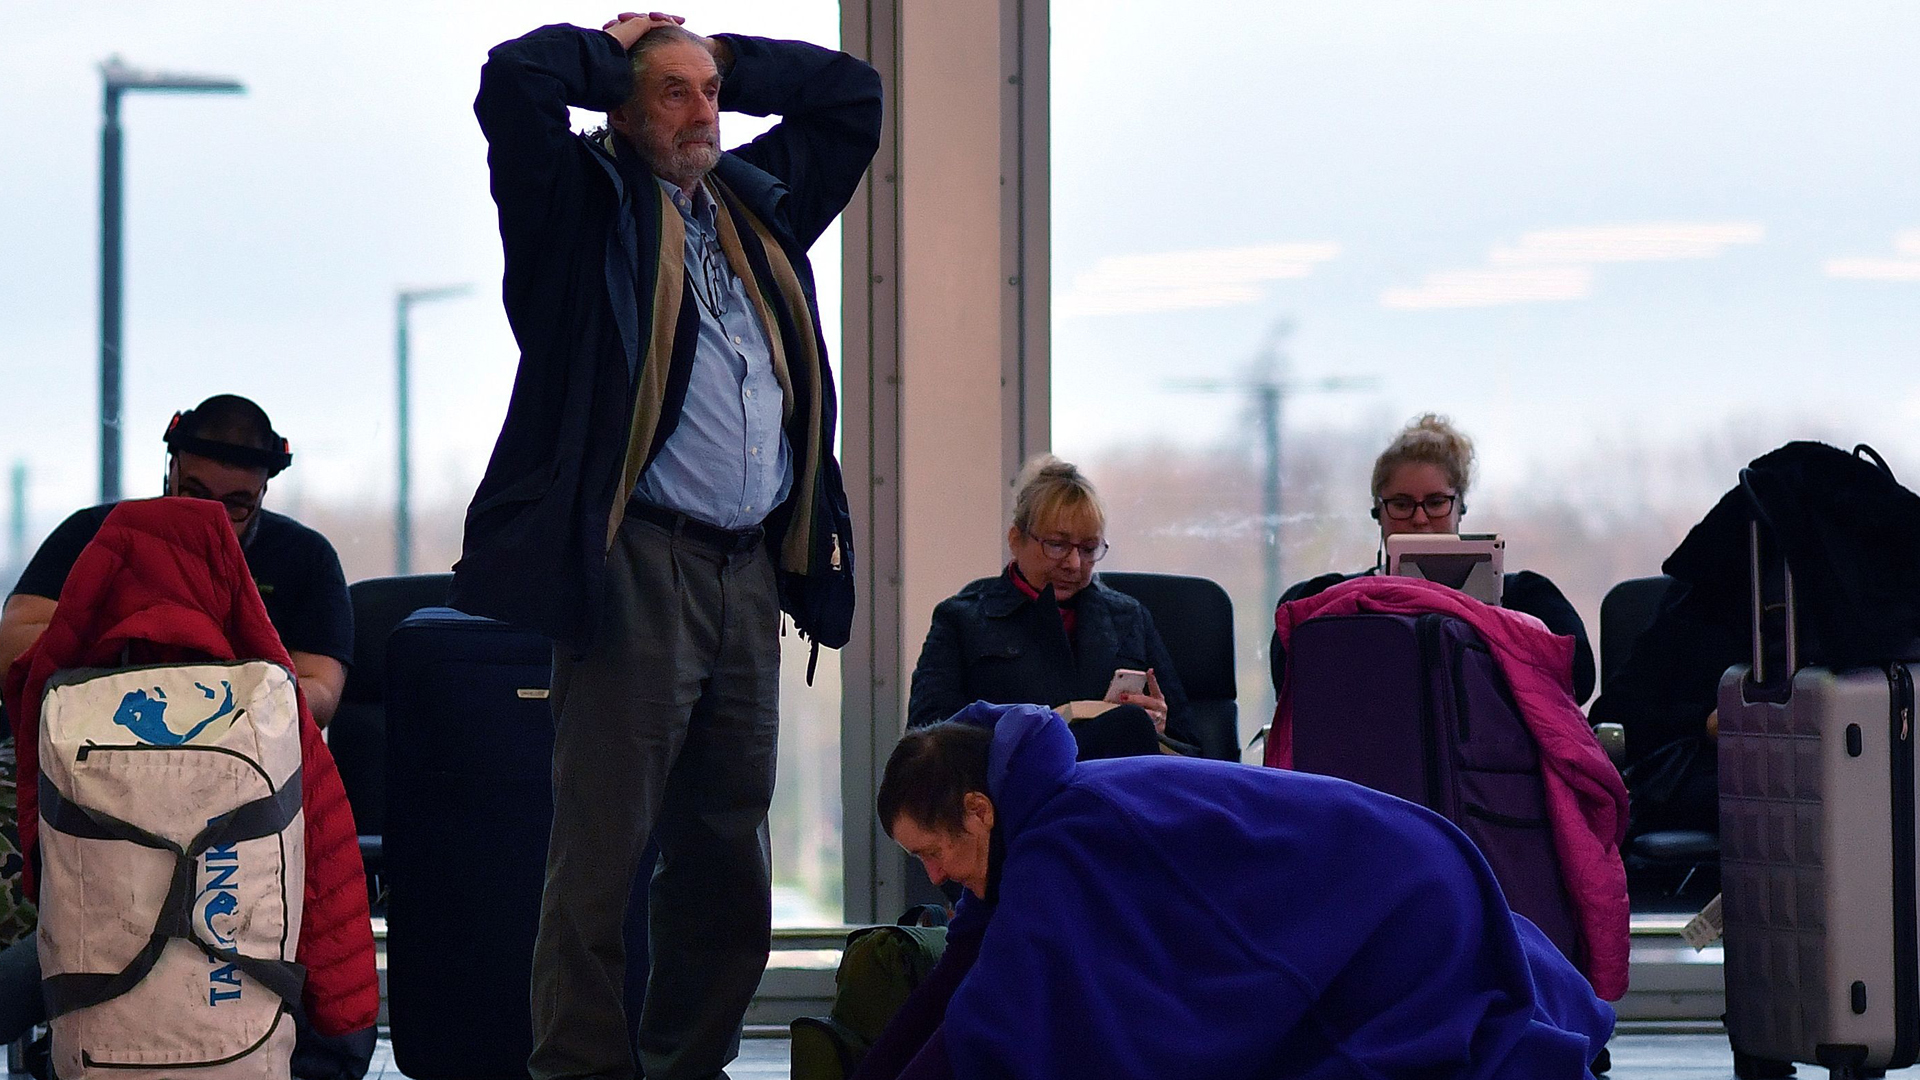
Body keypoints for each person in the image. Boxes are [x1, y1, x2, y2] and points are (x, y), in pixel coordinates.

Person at [454, 13, 878, 1080]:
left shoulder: (755, 201)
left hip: (748, 569)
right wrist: (616, 43)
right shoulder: (578, 211)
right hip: (639, 562)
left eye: (713, 93)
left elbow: (853, 97)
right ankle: (583, 1072)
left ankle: (690, 1064)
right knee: (600, 859)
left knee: (726, 849)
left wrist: (720, 52)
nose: (705, 114)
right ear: (624, 111)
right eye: (677, 93)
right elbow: (513, 82)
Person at [858, 703, 1616, 1080]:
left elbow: (997, 1028)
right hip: (1386, 865)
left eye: (932, 852)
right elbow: (965, 967)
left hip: (1399, 896)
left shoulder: (1060, 842)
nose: (932, 878)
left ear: (978, 811)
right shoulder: (1027, 810)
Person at [1, 498, 379, 1078]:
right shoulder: (268, 712)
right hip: (238, 1040)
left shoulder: (62, 712)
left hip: (99, 1034)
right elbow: (329, 878)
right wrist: (344, 1035)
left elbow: (39, 865)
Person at [0, 394, 351, 725]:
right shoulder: (93, 534)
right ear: (171, 469)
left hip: (240, 753)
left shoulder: (306, 557)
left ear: (263, 492)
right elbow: (12, 648)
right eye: (194, 494)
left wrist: (226, 703)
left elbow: (320, 692)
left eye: (236, 504)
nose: (210, 517)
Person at [1271, 413, 1596, 704]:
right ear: (1377, 513)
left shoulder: (1527, 597)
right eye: (1401, 504)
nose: (1420, 518)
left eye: (1436, 502)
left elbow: (1578, 679)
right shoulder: (1326, 599)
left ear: (1460, 507)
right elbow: (1292, 688)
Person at [908, 455, 1194, 759]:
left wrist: (1160, 728)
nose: (1073, 564)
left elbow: (1193, 748)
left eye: (1088, 549)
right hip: (1012, 791)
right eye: (1057, 545)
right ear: (1016, 540)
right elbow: (927, 744)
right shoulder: (963, 619)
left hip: (1111, 787)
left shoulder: (1128, 618)